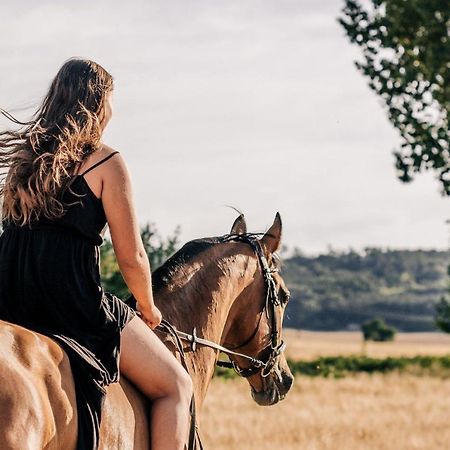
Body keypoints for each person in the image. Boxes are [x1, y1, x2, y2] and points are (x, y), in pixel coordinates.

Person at [0, 57, 193, 450]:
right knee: (176, 386)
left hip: (10, 296)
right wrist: (148, 306)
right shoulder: (105, 161)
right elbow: (132, 258)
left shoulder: (24, 161)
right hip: (71, 302)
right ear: (99, 105)